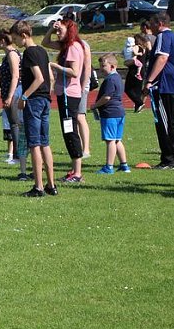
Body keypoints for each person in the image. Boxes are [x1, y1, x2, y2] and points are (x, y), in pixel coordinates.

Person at [12, 20, 57, 197]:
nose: (15, 42)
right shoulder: (42, 51)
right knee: (45, 143)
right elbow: (50, 78)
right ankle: (51, 184)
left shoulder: (29, 52)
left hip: (34, 101)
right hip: (45, 100)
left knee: (34, 144)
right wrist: (47, 94)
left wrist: (24, 96)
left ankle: (38, 187)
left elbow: (39, 78)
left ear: (23, 35)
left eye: (16, 38)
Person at [43, 18, 85, 183]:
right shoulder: (66, 46)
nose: (57, 33)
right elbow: (45, 42)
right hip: (65, 93)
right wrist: (52, 29)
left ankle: (77, 172)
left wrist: (55, 66)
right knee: (68, 131)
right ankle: (74, 170)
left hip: (69, 95)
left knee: (70, 131)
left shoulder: (73, 47)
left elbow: (74, 72)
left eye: (60, 30)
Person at [144, 12, 174, 169]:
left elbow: (162, 58)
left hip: (164, 85)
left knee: (163, 123)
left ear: (160, 23)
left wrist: (149, 81)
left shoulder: (163, 36)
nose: (150, 27)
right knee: (170, 122)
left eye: (152, 23)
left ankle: (168, 160)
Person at [92, 54, 131, 174]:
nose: (101, 69)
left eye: (103, 66)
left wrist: (95, 105)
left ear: (112, 66)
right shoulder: (118, 77)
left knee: (110, 140)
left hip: (110, 113)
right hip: (119, 112)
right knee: (117, 139)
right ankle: (124, 165)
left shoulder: (110, 79)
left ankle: (109, 167)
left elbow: (107, 97)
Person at [0, 29, 25, 175]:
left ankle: (18, 155)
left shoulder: (13, 54)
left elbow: (15, 76)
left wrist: (10, 96)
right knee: (13, 123)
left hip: (14, 92)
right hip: (9, 92)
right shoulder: (7, 55)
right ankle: (16, 154)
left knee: (15, 124)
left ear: (2, 41)